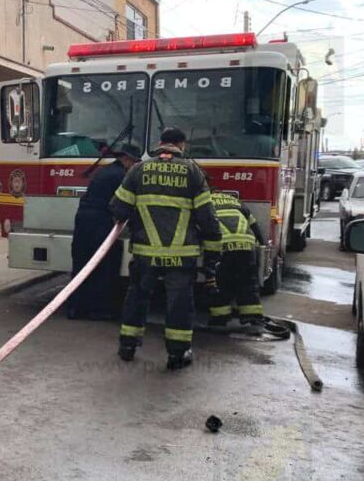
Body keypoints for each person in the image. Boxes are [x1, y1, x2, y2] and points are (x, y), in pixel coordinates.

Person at [110, 127, 222, 370]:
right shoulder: (193, 172)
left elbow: (118, 207)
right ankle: (177, 355)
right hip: (182, 256)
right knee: (179, 303)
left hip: (145, 252)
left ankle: (127, 347)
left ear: (160, 144)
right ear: (182, 146)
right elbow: (207, 218)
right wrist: (213, 253)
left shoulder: (139, 169)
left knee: (137, 298)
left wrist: (135, 225)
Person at [67, 145, 142, 320]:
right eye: (135, 162)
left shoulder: (105, 171)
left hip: (84, 221)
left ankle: (76, 308)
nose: (135, 166)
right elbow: (123, 204)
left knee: (82, 264)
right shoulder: (121, 176)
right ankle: (101, 309)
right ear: (127, 159)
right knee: (105, 265)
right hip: (100, 223)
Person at [204, 191, 265, 330]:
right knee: (248, 282)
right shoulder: (235, 200)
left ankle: (220, 318)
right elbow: (254, 224)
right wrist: (262, 244)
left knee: (221, 283)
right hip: (247, 245)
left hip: (223, 247)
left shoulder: (205, 201)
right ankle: (253, 316)